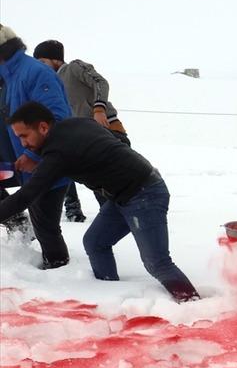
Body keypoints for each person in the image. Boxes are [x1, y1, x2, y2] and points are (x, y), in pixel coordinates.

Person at [0, 102, 199, 301]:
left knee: (157, 263)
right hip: (123, 194)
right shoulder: (76, 124)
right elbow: (114, 142)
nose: (23, 144)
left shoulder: (58, 153)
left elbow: (26, 195)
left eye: (24, 136)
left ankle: (192, 302)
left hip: (144, 194)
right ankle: (110, 295)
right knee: (95, 242)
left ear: (43, 127)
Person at [33, 39, 132, 222]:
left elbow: (100, 82)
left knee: (112, 179)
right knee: (69, 168)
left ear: (55, 60)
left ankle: (125, 210)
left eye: (43, 62)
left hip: (106, 130)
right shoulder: (51, 84)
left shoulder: (74, 68)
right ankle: (74, 208)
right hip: (82, 139)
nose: (41, 67)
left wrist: (99, 108)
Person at [0, 24, 73, 267]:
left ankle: (58, 270)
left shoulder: (35, 73)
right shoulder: (9, 75)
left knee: (46, 226)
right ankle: (19, 225)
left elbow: (56, 120)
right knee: (39, 220)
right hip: (18, 161)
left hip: (45, 163)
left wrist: (34, 154)